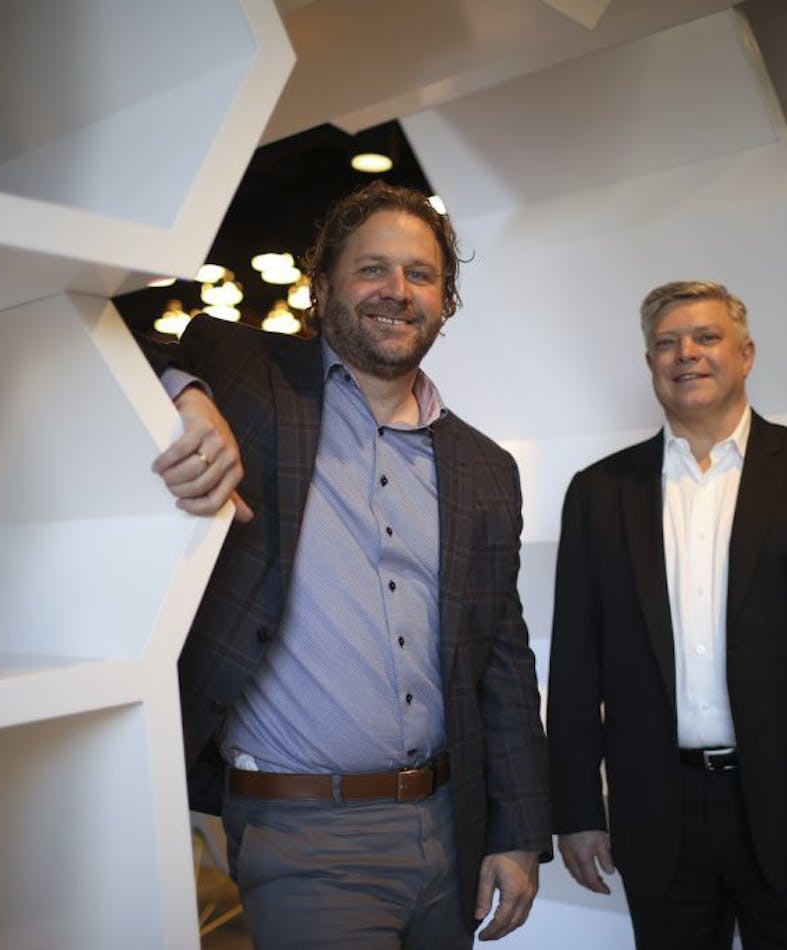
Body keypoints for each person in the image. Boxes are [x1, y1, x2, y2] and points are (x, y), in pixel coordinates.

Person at [150, 182, 550, 948]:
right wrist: (188, 397)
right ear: (323, 285)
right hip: (304, 836)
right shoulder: (248, 380)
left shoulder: (484, 465)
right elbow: (121, 337)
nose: (397, 292)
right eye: (372, 269)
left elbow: (501, 656)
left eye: (421, 275)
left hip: (450, 825)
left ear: (446, 302)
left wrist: (518, 831)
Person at [545, 280, 787, 948]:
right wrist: (575, 810)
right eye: (666, 342)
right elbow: (574, 666)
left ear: (745, 354)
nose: (686, 353)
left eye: (706, 337)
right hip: (658, 815)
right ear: (651, 362)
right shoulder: (599, 493)